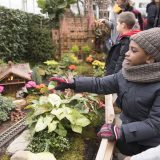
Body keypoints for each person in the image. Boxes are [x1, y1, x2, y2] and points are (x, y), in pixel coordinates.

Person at [50, 28, 160, 156]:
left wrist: (121, 132)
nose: (126, 53)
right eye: (129, 48)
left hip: (151, 147)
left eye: (134, 50)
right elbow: (100, 84)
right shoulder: (127, 73)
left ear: (150, 58)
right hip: (131, 139)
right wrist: (73, 83)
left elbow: (155, 125)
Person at [105, 11, 140, 75]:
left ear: (123, 25)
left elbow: (121, 61)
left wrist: (114, 77)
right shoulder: (125, 38)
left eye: (117, 24)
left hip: (116, 77)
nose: (116, 26)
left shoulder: (127, 41)